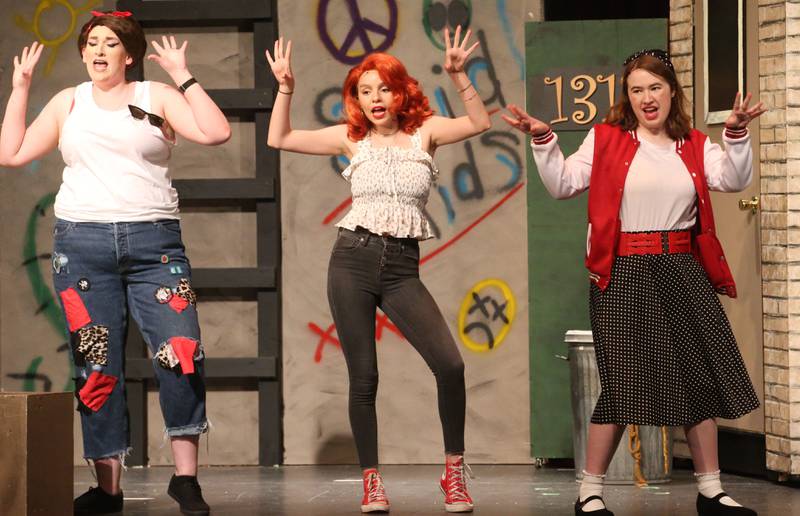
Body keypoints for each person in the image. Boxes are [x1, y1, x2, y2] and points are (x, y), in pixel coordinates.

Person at [502, 49, 764, 516]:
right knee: (624, 383)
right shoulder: (605, 140)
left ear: (672, 91)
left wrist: (737, 133)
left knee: (696, 375)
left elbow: (735, 177)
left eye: (655, 87)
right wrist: (543, 139)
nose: (647, 98)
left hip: (682, 270)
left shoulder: (696, 146)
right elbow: (562, 184)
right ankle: (589, 492)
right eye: (637, 89)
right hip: (624, 273)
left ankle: (711, 490)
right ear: (627, 96)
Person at [0, 10, 230, 515]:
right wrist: (21, 86)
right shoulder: (69, 102)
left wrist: (183, 76)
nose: (99, 50)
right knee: (96, 365)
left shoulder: (156, 96)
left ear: (129, 54)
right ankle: (108, 488)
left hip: (155, 245)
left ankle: (185, 479)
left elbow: (216, 133)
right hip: (83, 245)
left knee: (181, 349)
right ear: (83, 53)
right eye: (92, 43)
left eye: (110, 42)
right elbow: (11, 152)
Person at [266, 26, 490, 513]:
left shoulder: (424, 133)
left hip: (402, 268)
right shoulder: (351, 140)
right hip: (352, 261)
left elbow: (478, 122)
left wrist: (459, 75)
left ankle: (453, 474)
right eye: (364, 92)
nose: (374, 99)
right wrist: (286, 88)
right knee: (364, 377)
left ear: (399, 90)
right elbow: (278, 137)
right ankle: (372, 482)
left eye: (382, 89)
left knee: (449, 365)